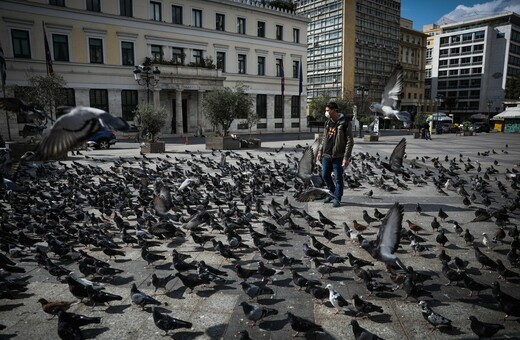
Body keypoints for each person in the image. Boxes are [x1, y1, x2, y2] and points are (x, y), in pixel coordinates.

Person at [316, 101, 355, 208]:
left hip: (338, 156)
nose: (326, 112)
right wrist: (320, 151)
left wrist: (346, 157)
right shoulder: (328, 122)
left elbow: (349, 141)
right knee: (324, 175)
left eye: (328, 110)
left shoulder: (344, 123)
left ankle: (337, 197)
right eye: (326, 110)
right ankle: (332, 193)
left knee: (338, 178)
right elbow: (324, 138)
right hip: (326, 155)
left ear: (334, 110)